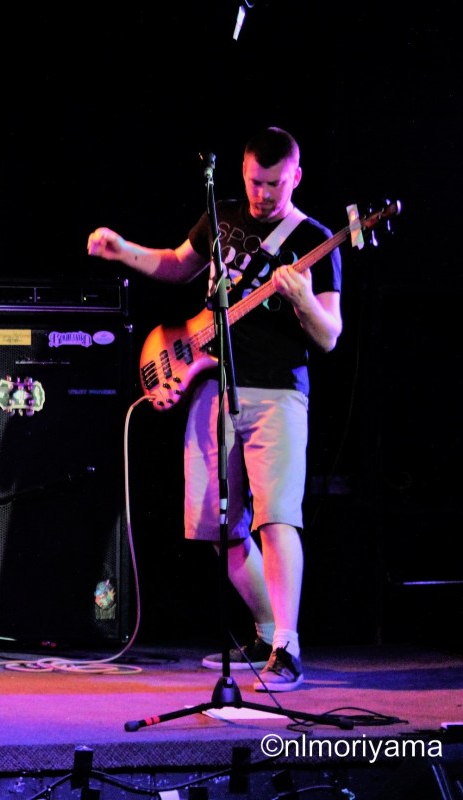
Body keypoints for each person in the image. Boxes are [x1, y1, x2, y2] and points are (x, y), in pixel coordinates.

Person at [85, 127, 343, 692]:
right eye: (254, 182)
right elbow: (177, 264)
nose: (262, 195)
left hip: (277, 393)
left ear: (296, 178)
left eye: (274, 184)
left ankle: (288, 648)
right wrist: (122, 249)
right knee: (218, 527)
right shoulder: (221, 215)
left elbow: (329, 335)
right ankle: (266, 631)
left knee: (277, 518)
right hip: (211, 388)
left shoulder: (316, 240)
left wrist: (302, 298)